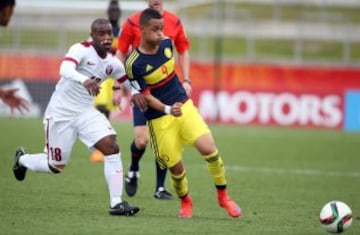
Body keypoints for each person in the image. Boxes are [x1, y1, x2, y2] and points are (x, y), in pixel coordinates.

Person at [12, 18, 144, 216]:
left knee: (112, 147)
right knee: (54, 166)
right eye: (101, 33)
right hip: (61, 114)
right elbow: (64, 69)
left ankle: (116, 203)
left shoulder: (112, 63)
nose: (107, 37)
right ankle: (22, 160)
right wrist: (84, 80)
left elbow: (128, 81)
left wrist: (135, 93)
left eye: (109, 33)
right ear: (92, 36)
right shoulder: (80, 49)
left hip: (85, 112)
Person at [125, 8, 241, 218]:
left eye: (162, 28)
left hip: (183, 106)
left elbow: (182, 54)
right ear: (142, 30)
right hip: (159, 119)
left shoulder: (168, 44)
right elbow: (146, 96)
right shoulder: (134, 63)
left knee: (210, 149)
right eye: (155, 29)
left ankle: (224, 197)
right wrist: (168, 109)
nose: (160, 33)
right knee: (176, 169)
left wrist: (185, 84)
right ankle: (185, 202)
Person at [117, 0, 192, 200]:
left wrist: (186, 79)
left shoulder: (175, 21)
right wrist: (118, 87)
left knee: (166, 141)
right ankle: (133, 169)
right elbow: (120, 53)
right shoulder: (133, 22)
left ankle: (160, 187)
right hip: (143, 91)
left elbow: (183, 49)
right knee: (141, 141)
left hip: (168, 91)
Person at [90, 0, 122, 163]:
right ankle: (97, 147)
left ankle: (103, 147)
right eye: (112, 11)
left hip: (114, 76)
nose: (114, 13)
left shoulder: (122, 32)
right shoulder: (102, 31)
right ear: (108, 12)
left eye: (117, 11)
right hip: (101, 74)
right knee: (100, 108)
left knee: (107, 110)